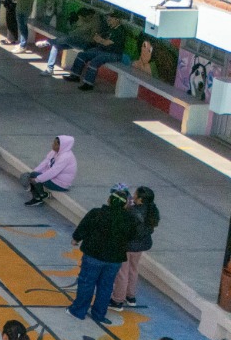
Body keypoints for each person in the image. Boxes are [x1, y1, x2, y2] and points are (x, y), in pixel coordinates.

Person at [68, 183, 136, 325]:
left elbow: (83, 227)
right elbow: (132, 237)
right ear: (125, 205)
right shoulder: (129, 220)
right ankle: (99, 314)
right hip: (114, 259)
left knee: (87, 283)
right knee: (106, 287)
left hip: (93, 256)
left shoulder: (96, 213)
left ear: (109, 200)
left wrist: (76, 239)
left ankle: (78, 311)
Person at [113, 186, 159, 310]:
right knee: (133, 270)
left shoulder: (132, 211)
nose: (133, 196)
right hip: (141, 245)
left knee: (122, 272)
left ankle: (117, 300)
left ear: (140, 199)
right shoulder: (152, 210)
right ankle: (130, 296)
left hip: (128, 245)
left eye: (135, 194)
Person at [25, 135, 77, 206]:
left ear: (62, 146)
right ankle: (39, 196)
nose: (53, 145)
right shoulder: (54, 152)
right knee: (33, 174)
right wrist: (33, 172)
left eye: (55, 144)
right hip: (54, 179)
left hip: (60, 184)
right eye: (53, 142)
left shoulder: (65, 157)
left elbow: (53, 172)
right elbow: (45, 163)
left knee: (35, 177)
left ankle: (41, 196)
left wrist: (37, 179)